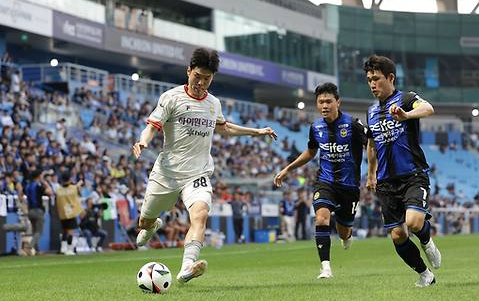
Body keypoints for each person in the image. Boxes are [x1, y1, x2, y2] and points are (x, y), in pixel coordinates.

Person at [132, 48, 277, 284]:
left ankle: (187, 267)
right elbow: (152, 126)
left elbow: (224, 127)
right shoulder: (171, 98)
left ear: (212, 78)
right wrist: (142, 141)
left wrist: (256, 131)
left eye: (207, 79)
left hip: (198, 174)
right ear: (188, 71)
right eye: (197, 76)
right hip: (167, 173)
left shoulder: (213, 103)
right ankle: (152, 225)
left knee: (200, 215)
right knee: (144, 222)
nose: (201, 82)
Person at [363, 55, 441, 287]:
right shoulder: (371, 111)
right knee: (398, 235)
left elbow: (428, 108)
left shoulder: (406, 99)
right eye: (369, 80)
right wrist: (370, 174)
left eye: (376, 79)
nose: (372, 84)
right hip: (386, 181)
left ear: (390, 77)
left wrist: (406, 115)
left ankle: (427, 242)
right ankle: (425, 274)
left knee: (415, 222)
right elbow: (371, 143)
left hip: (412, 174)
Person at [274, 83, 366, 279]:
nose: (324, 105)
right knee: (322, 218)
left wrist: (374, 173)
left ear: (337, 102)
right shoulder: (315, 128)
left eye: (328, 101)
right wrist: (288, 168)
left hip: (349, 186)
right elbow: (310, 152)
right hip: (325, 182)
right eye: (321, 102)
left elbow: (372, 145)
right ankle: (325, 267)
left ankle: (347, 235)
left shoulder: (353, 125)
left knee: (343, 231)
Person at [55, 172, 83, 255]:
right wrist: (80, 182)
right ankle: (69, 249)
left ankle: (63, 248)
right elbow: (76, 189)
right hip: (71, 212)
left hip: (62, 213)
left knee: (64, 230)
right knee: (70, 232)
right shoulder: (73, 188)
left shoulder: (59, 189)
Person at [25, 169, 52, 253]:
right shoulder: (38, 186)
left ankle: (37, 250)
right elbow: (50, 192)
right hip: (38, 210)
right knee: (39, 231)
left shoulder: (28, 186)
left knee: (34, 231)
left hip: (30, 210)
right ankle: (29, 247)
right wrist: (45, 183)